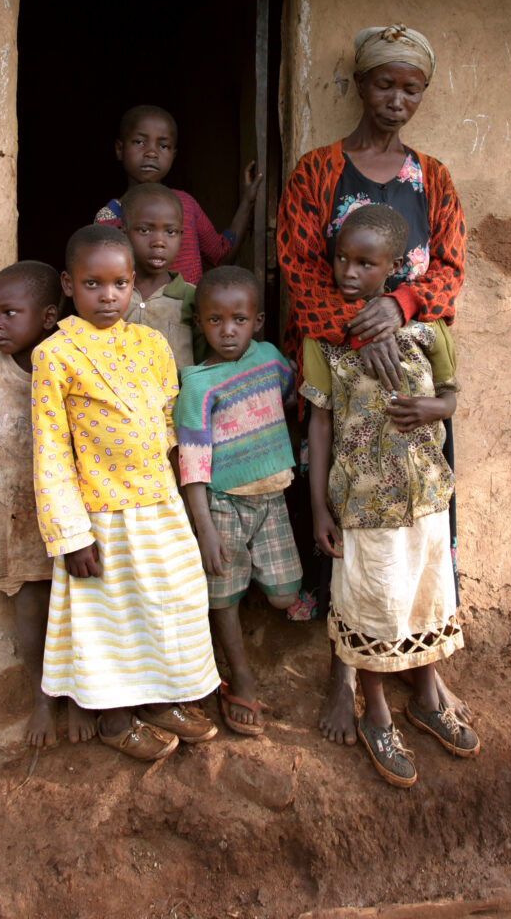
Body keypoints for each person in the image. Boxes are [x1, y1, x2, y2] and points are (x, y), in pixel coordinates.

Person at [277, 23, 469, 746]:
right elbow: (298, 269)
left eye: (411, 88)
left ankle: (422, 669)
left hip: (409, 379)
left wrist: (403, 306)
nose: (396, 99)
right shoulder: (317, 172)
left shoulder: (434, 179)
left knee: (419, 530)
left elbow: (450, 268)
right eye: (384, 83)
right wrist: (365, 330)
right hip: (343, 376)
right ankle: (348, 675)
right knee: (348, 527)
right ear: (360, 85)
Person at [303, 206, 478, 788]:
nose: (349, 273)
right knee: (374, 605)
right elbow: (319, 424)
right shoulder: (326, 339)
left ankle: (426, 697)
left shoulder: (430, 329)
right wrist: (320, 507)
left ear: (395, 267)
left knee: (423, 598)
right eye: (341, 260)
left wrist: (432, 409)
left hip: (426, 497)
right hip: (363, 505)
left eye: (365, 263)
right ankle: (375, 710)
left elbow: (451, 398)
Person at [31, 225, 220, 761]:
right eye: (93, 284)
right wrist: (72, 534)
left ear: (133, 283)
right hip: (101, 513)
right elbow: (50, 450)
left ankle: (160, 699)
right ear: (68, 284)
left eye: (119, 283)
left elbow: (169, 419)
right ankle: (114, 718)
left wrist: (181, 489)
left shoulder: (150, 343)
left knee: (170, 600)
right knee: (109, 617)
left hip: (159, 503)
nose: (107, 296)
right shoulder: (55, 355)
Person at [0, 261, 95, 748]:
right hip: (16, 523)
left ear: (48, 316)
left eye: (10, 313)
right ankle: (43, 698)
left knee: (79, 610)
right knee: (31, 614)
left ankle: (80, 696)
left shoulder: (68, 363)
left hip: (71, 522)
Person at [174, 266, 302, 736]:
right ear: (199, 323)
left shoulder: (270, 359)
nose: (227, 331)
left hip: (274, 498)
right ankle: (240, 677)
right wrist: (204, 527)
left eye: (239, 320)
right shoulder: (197, 384)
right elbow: (191, 461)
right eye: (215, 320)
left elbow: (290, 395)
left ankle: (252, 584)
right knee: (222, 597)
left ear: (258, 321)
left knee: (285, 595)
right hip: (224, 504)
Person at [94, 103, 262, 284]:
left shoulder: (186, 205)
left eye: (163, 146)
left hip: (187, 304)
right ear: (120, 149)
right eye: (140, 142)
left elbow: (221, 256)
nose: (151, 153)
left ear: (173, 155)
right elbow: (101, 280)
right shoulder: (108, 218)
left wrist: (247, 202)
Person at [119, 182, 207, 369]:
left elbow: (204, 365)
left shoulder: (192, 298)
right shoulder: (110, 294)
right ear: (123, 233)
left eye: (170, 232)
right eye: (145, 230)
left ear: (181, 236)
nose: (159, 242)